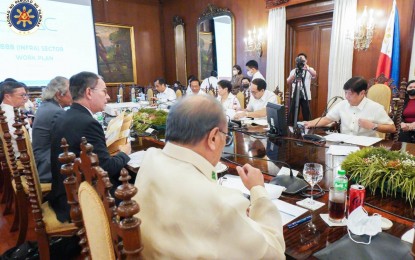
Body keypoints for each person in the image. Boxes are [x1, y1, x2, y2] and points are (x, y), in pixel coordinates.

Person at [133, 95, 285, 259]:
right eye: (225, 137)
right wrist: (258, 191)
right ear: (213, 137)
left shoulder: (150, 158)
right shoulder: (224, 204)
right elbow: (275, 253)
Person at [49, 71, 131, 222]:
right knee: (135, 187)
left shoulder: (65, 115)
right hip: (78, 199)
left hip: (63, 193)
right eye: (104, 91)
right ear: (88, 92)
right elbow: (106, 167)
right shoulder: (87, 123)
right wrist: (124, 153)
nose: (108, 97)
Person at [304, 76, 396, 137]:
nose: (346, 97)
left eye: (350, 94)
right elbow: (327, 119)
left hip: (365, 148)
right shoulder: (342, 104)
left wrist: (373, 126)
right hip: (344, 144)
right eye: (345, 93)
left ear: (362, 93)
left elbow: (392, 128)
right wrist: (309, 123)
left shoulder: (375, 108)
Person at [32, 76, 72, 183]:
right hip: (47, 167)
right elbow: (69, 140)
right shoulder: (56, 112)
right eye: (71, 91)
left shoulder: (46, 106)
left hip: (41, 161)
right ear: (59, 94)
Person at [0, 80, 32, 155]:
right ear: (8, 96)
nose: (25, 98)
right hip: (20, 157)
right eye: (22, 95)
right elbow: (23, 139)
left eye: (26, 95)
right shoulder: (7, 115)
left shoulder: (14, 110)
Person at [287, 53, 317, 122]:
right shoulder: (293, 71)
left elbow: (314, 74)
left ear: (306, 61)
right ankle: (292, 128)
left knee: (306, 114)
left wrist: (308, 69)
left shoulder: (309, 69)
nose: (301, 62)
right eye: (299, 60)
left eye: (303, 61)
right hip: (295, 95)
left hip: (306, 96)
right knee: (294, 114)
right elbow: (288, 81)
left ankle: (307, 129)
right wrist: (292, 77)